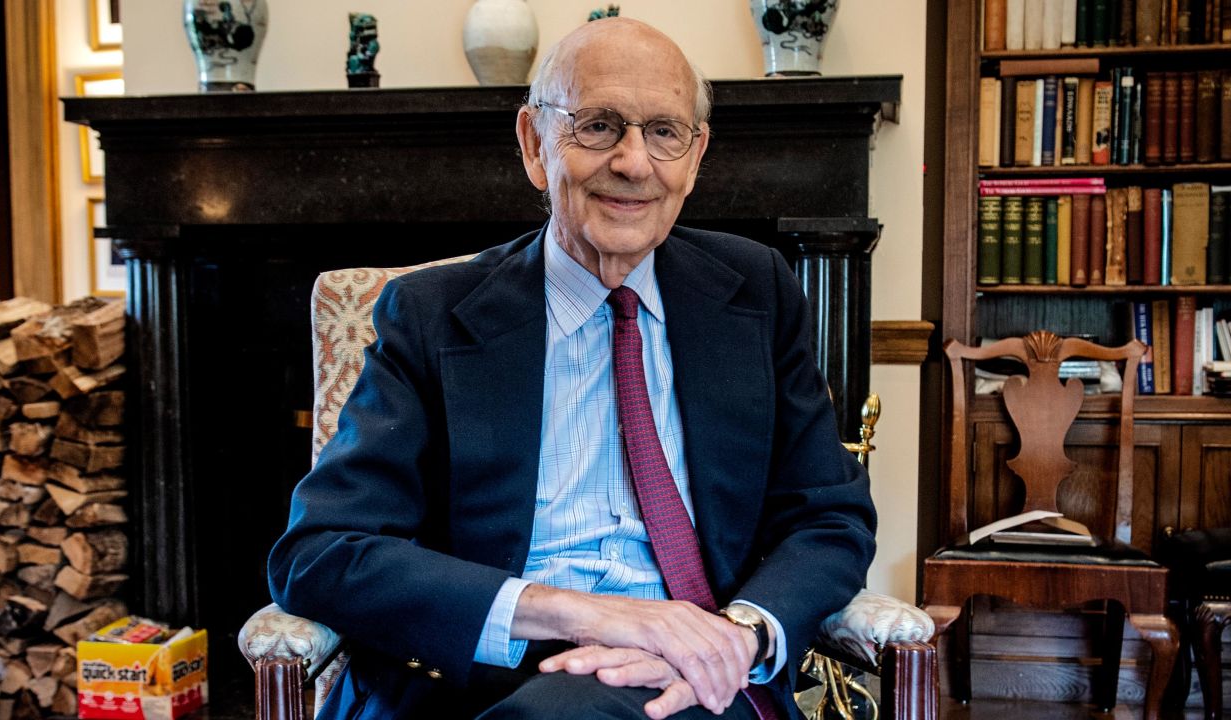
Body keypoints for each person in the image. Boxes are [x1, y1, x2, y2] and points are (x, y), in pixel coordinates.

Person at [268, 17, 876, 720]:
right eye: (598, 126)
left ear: (696, 153)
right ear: (534, 144)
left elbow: (830, 518)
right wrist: (588, 615)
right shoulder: (434, 315)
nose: (633, 162)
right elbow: (318, 553)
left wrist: (735, 636)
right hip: (492, 680)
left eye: (664, 132)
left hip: (701, 683)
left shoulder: (755, 292)